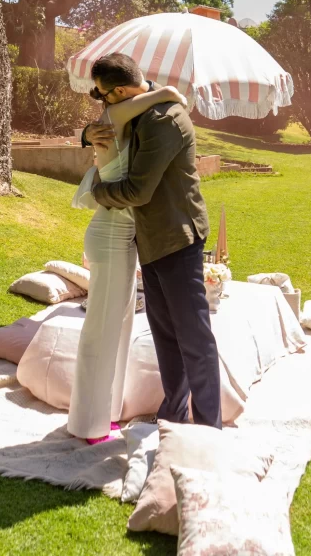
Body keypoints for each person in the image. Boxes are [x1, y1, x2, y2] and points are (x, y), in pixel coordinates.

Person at [85, 53, 222, 430]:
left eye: (103, 95)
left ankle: (210, 428)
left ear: (123, 90)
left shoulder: (163, 120)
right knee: (165, 334)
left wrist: (98, 191)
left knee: (193, 337)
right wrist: (86, 134)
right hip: (152, 237)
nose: (101, 102)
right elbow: (107, 123)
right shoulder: (137, 111)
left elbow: (138, 190)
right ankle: (174, 413)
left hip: (175, 237)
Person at [68, 70, 186, 444]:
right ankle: (87, 424)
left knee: (120, 329)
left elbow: (144, 98)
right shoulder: (112, 116)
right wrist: (166, 91)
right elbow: (159, 94)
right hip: (109, 235)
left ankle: (108, 413)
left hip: (125, 238)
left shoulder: (123, 116)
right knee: (100, 332)